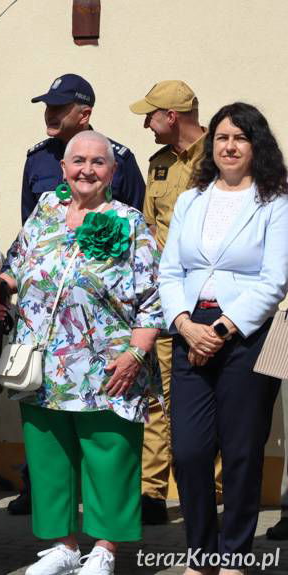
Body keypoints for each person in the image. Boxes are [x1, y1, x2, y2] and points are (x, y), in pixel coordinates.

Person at [2, 131, 162, 575]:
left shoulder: (129, 222)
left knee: (109, 455)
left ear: (112, 172)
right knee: (50, 455)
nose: (86, 170)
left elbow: (153, 298)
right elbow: (15, 264)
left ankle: (106, 549)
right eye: (78, 161)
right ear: (64, 168)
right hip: (42, 361)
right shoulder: (46, 211)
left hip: (106, 364)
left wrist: (136, 352)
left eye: (97, 162)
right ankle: (65, 547)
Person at [159, 102, 288, 575]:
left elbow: (275, 279)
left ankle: (232, 555)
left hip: (247, 336)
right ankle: (201, 551)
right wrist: (184, 322)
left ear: (256, 146)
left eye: (240, 138)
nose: (229, 146)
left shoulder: (276, 201)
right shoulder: (192, 199)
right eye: (221, 138)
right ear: (210, 146)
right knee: (190, 450)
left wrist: (222, 327)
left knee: (240, 451)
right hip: (190, 330)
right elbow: (170, 269)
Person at [128, 80, 209, 525]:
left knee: (201, 394)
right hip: (162, 297)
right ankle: (152, 492)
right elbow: (146, 228)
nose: (146, 123)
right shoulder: (158, 165)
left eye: (151, 115)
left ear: (172, 117)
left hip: (205, 301)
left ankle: (211, 490)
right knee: (155, 395)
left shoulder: (221, 158)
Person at [21, 73, 145, 224]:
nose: (49, 114)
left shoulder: (117, 158)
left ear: (85, 115)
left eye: (58, 108)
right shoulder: (37, 159)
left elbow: (137, 220)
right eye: (48, 107)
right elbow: (29, 223)